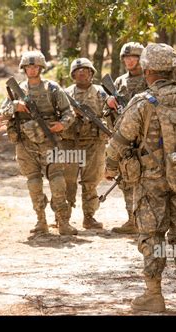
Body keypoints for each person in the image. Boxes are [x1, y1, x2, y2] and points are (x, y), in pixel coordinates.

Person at [105, 43, 176, 312]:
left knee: (152, 235)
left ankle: (154, 295)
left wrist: (109, 166)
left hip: (150, 181)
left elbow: (120, 140)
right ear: (173, 69)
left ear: (148, 70)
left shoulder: (142, 102)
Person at [0, 51, 77, 235]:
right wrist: (15, 106)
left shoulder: (52, 88)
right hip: (26, 144)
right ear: (24, 68)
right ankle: (40, 220)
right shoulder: (17, 89)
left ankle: (63, 221)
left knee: (57, 180)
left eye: (35, 67)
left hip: (50, 141)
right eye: (28, 66)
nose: (32, 70)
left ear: (41, 68)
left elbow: (69, 112)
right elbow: (3, 113)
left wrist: (61, 125)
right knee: (33, 182)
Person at [104, 42, 147, 234]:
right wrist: (109, 102)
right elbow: (107, 111)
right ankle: (132, 219)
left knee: (146, 178)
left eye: (134, 57)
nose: (129, 61)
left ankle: (146, 219)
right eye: (126, 58)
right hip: (123, 136)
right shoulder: (119, 82)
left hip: (145, 136)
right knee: (125, 178)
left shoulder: (148, 79)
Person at [63, 58, 108, 229]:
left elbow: (110, 116)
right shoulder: (65, 94)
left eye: (85, 70)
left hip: (94, 143)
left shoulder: (101, 93)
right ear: (73, 75)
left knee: (91, 181)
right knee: (68, 181)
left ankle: (89, 217)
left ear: (91, 73)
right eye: (78, 71)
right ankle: (63, 217)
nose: (82, 73)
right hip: (70, 143)